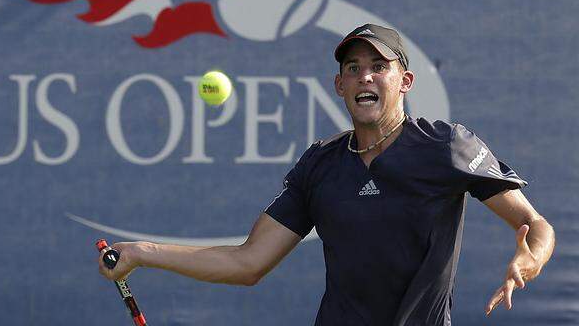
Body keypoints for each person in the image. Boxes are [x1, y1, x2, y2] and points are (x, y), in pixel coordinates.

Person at [98, 23, 555, 325]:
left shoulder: (446, 147)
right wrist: (144, 252)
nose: (365, 78)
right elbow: (248, 262)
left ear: (406, 82)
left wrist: (529, 259)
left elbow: (535, 226)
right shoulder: (320, 165)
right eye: (353, 70)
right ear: (340, 86)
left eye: (379, 67)